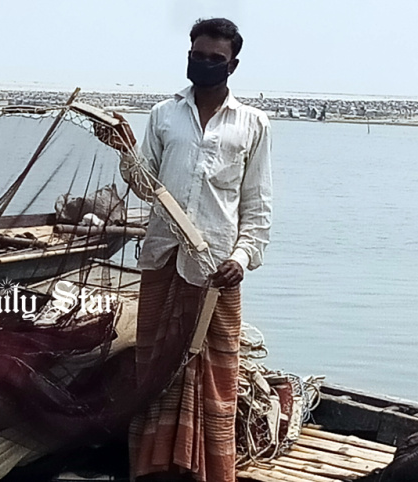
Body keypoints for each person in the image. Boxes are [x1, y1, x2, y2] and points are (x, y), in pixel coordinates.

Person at [113, 18, 272, 482]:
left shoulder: (253, 124)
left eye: (214, 59)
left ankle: (205, 470)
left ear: (232, 65)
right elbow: (145, 185)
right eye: (197, 55)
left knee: (214, 373)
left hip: (215, 268)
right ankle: (154, 467)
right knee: (155, 369)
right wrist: (125, 152)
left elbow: (257, 208)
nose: (203, 64)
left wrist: (241, 260)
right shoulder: (164, 114)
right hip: (163, 258)